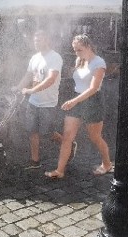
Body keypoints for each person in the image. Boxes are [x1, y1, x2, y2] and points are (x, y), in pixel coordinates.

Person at [45, 34, 112, 179]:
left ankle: (107, 164)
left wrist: (74, 101)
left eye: (79, 49)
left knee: (95, 137)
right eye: (74, 50)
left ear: (88, 46)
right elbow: (78, 81)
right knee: (67, 136)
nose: (76, 53)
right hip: (77, 98)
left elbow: (94, 88)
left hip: (93, 101)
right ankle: (59, 170)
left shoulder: (99, 63)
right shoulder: (80, 60)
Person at [16, 29, 71, 169]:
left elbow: (51, 79)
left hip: (48, 103)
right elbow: (28, 75)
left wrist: (31, 90)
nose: (36, 43)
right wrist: (18, 87)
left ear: (47, 40)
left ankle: (68, 144)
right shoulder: (34, 57)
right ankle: (35, 161)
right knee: (32, 131)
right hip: (33, 102)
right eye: (35, 40)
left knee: (47, 133)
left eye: (39, 40)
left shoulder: (55, 57)